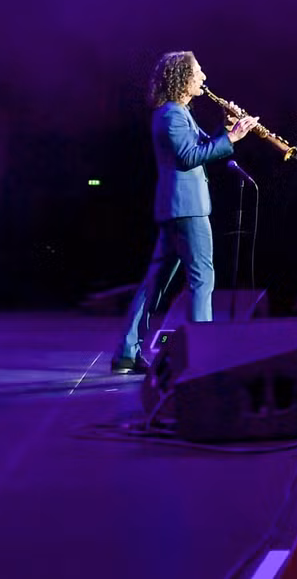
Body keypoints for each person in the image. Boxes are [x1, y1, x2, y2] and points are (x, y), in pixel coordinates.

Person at [112, 52, 259, 374]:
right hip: (187, 210)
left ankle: (126, 352)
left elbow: (202, 146)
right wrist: (231, 138)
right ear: (182, 78)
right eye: (198, 71)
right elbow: (190, 157)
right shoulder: (171, 115)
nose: (204, 77)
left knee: (155, 283)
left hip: (177, 208)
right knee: (202, 280)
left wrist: (228, 128)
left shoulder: (178, 113)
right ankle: (204, 355)